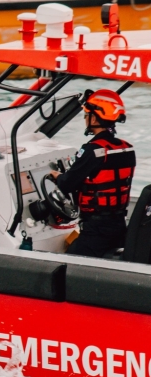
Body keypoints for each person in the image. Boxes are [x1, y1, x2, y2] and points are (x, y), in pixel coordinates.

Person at [53, 90, 135, 258]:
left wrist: (57, 176)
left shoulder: (93, 150)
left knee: (68, 263)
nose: (85, 119)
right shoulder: (127, 148)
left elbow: (67, 184)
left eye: (86, 115)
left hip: (97, 230)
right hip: (119, 226)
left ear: (95, 118)